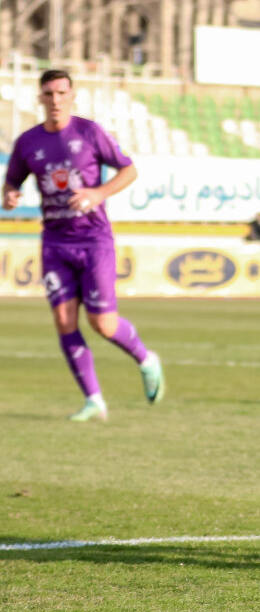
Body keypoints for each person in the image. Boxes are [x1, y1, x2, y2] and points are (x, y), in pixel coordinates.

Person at [2, 69, 164, 422]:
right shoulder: (28, 142)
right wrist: (10, 194)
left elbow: (129, 170)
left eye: (62, 93)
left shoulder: (90, 132)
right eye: (49, 93)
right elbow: (12, 181)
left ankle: (146, 359)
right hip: (55, 242)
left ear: (72, 96)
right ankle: (94, 401)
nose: (55, 100)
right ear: (40, 98)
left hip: (93, 240)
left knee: (102, 324)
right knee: (64, 320)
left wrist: (98, 193)